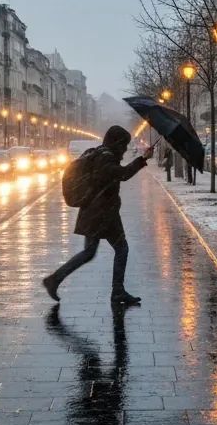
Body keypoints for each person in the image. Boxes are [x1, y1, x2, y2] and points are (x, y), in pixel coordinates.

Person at [42, 125, 154, 305]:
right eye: (124, 144)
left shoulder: (99, 153)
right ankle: (117, 291)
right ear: (117, 142)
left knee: (89, 252)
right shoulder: (106, 159)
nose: (125, 149)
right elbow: (123, 175)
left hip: (94, 211)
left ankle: (55, 279)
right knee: (121, 248)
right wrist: (142, 159)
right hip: (103, 213)